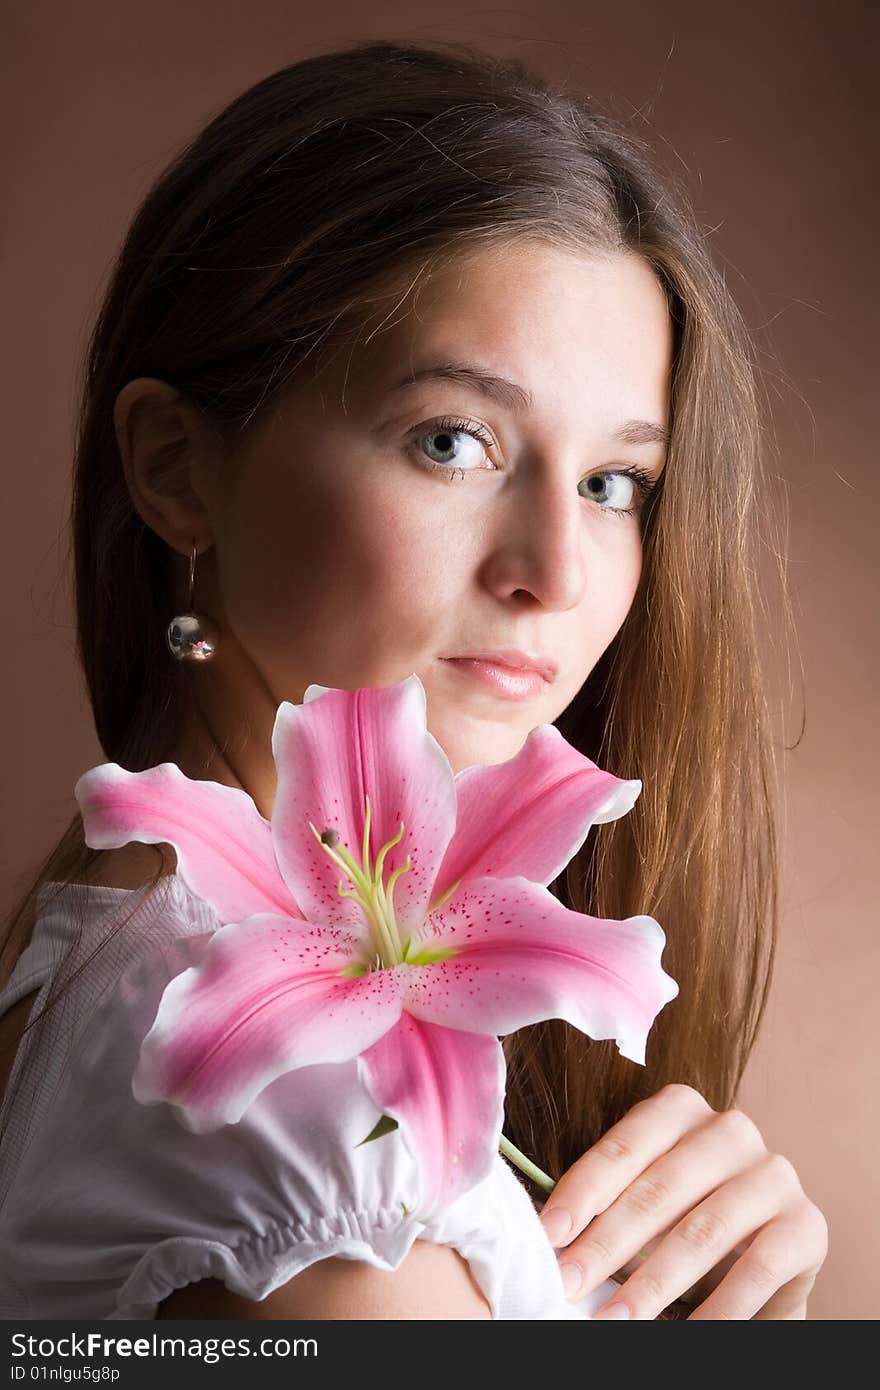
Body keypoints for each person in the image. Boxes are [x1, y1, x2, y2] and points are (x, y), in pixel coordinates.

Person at [0, 39, 827, 1320]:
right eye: (454, 441)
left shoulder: (120, 957)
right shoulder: (315, 1153)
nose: (557, 572)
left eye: (615, 484)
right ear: (174, 467)